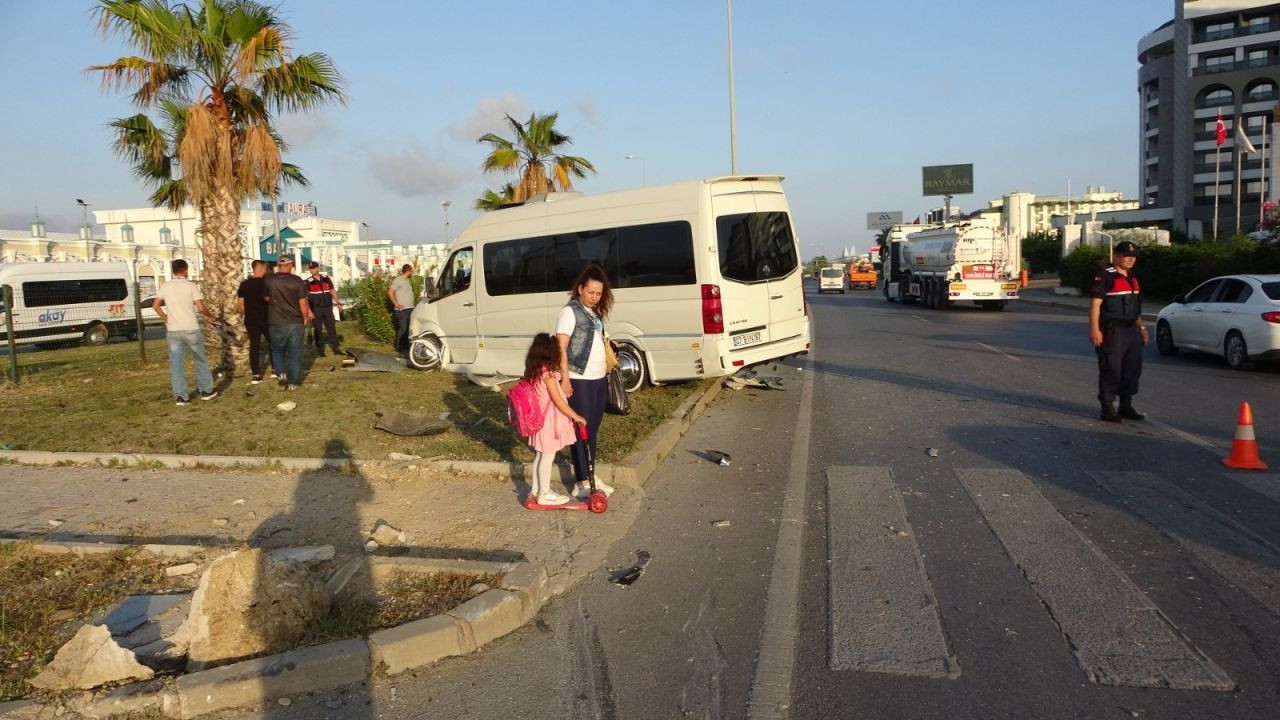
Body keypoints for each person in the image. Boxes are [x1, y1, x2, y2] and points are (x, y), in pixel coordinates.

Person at [555, 263, 616, 499]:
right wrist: (566, 380)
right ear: (580, 288)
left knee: (593, 429)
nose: (594, 297)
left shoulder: (594, 313)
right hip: (580, 379)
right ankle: (581, 480)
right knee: (581, 429)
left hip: (599, 377)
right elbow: (560, 348)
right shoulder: (569, 312)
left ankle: (590, 474)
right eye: (590, 292)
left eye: (599, 293)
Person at [522, 333, 587, 506]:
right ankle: (544, 493)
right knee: (548, 457)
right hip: (549, 423)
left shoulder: (536, 372)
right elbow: (558, 401)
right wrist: (576, 416)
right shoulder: (548, 376)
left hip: (541, 421)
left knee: (540, 455)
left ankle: (535, 490)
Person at [1089, 241, 1147, 422]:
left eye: (1133, 256)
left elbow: (1134, 309)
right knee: (1111, 369)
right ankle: (1107, 407)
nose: (1131, 259)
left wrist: (1142, 328)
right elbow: (1095, 304)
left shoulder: (1132, 278)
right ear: (1116, 256)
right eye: (1126, 255)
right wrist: (1095, 330)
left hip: (1131, 331)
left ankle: (1126, 405)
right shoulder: (1106, 276)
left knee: (1131, 369)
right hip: (1113, 331)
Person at [155, 259, 219, 405]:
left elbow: (155, 305)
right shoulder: (191, 286)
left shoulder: (165, 286)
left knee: (176, 364)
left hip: (173, 330)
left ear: (173, 271)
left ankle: (181, 396)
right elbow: (201, 307)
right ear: (185, 270)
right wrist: (211, 316)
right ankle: (206, 390)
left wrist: (165, 317)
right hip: (191, 328)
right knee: (200, 360)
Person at [263, 254, 313, 390]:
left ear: (278, 266)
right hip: (294, 321)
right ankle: (293, 382)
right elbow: (302, 301)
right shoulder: (297, 281)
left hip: (275, 320)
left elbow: (266, 298)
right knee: (295, 352)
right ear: (291, 266)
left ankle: (281, 374)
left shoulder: (269, 279)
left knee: (277, 350)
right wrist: (305, 317)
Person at [236, 260, 272, 383]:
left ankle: (256, 374)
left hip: (251, 319)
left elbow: (240, 304)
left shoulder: (244, 285)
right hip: (266, 318)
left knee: (254, 346)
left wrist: (245, 313)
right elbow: (269, 299)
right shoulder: (266, 283)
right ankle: (275, 369)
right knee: (273, 344)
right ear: (261, 269)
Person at [305, 261, 343, 356]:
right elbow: (304, 298)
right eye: (310, 268)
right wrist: (308, 311)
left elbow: (332, 291)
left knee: (331, 328)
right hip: (316, 309)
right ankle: (320, 350)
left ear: (318, 268)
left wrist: (338, 302)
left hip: (327, 308)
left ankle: (336, 348)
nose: (312, 270)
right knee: (318, 329)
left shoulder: (326, 279)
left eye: (314, 268)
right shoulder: (307, 281)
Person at [387, 263, 416, 354]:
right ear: (408, 271)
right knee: (403, 328)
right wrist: (396, 304)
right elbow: (390, 292)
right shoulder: (398, 280)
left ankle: (406, 346)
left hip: (410, 308)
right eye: (411, 271)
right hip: (402, 310)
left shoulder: (407, 280)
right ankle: (399, 346)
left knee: (408, 328)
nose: (412, 272)